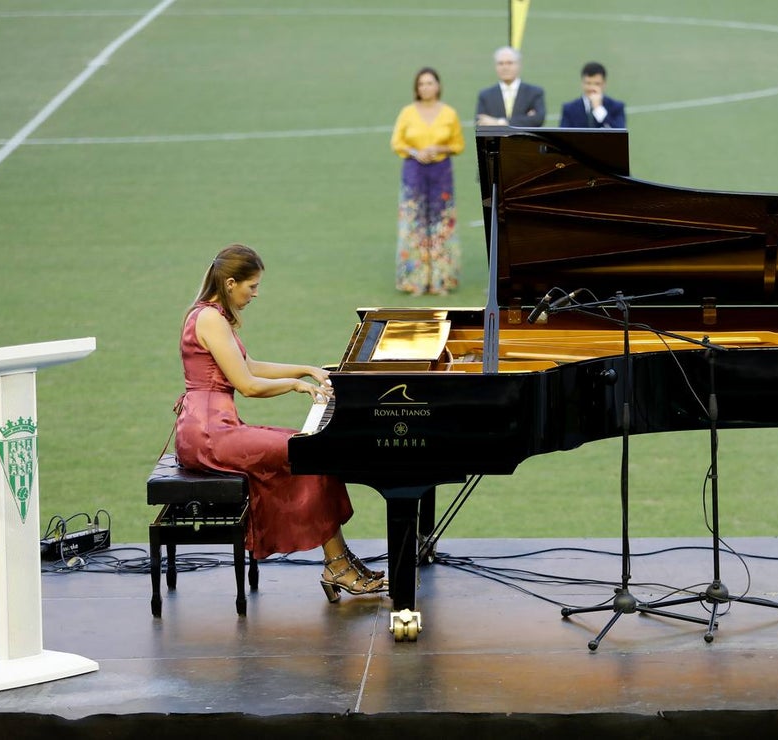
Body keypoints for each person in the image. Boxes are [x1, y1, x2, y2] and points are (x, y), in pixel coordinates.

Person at [174, 244, 386, 600]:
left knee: (311, 450)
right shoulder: (210, 319)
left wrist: (306, 369)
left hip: (216, 428)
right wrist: (295, 385)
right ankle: (337, 565)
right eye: (252, 286)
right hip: (208, 435)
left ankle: (340, 560)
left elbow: (250, 365)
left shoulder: (212, 316)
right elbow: (247, 385)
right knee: (308, 453)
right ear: (230, 283)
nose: (255, 294)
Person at [391, 67, 466, 296]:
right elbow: (397, 143)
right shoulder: (407, 112)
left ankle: (441, 280)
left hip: (441, 172)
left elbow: (458, 145)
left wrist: (438, 149)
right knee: (414, 223)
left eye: (430, 83)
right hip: (414, 171)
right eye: (421, 84)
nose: (425, 87)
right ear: (416, 88)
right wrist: (416, 152)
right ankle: (414, 280)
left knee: (441, 223)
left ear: (438, 86)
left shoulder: (449, 113)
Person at [475, 46, 545, 127]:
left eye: (510, 63)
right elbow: (480, 122)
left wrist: (500, 122)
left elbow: (538, 119)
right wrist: (525, 119)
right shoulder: (485, 95)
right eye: (500, 63)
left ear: (519, 65)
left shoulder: (534, 92)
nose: (505, 67)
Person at [559, 61, 626, 129]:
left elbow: (619, 133)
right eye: (588, 83)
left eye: (597, 84)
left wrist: (598, 109)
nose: (592, 88)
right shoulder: (569, 109)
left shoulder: (616, 107)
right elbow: (562, 134)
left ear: (604, 84)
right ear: (582, 83)